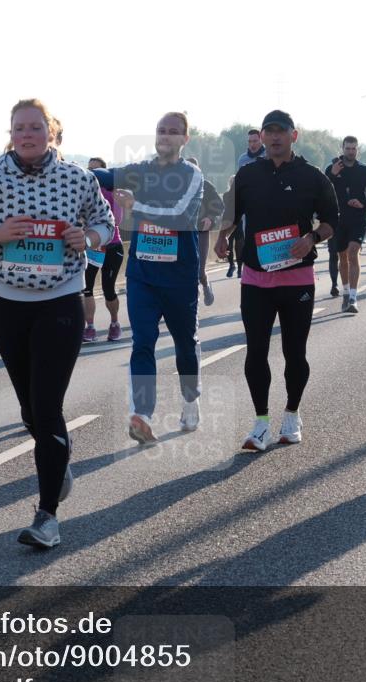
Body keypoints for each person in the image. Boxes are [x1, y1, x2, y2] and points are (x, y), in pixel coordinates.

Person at [0, 98, 114, 548]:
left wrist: (89, 236)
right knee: (28, 410)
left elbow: (105, 223)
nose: (27, 134)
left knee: (46, 406)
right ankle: (57, 458)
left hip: (60, 300)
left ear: (52, 133)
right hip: (7, 303)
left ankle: (47, 516)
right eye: (19, 127)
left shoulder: (79, 178)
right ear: (11, 134)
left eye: (35, 127)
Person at [216, 110, 338, 450]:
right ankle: (260, 423)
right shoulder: (248, 174)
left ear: (293, 136)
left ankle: (291, 414)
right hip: (256, 278)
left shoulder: (313, 177)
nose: (273, 138)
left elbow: (331, 221)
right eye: (268, 132)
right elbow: (232, 212)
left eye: (280, 132)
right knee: (255, 351)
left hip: (297, 278)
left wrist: (312, 238)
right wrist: (223, 235)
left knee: (294, 352)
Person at [92, 112, 204, 445]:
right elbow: (104, 175)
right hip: (143, 276)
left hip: (179, 277)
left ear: (185, 139)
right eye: (161, 131)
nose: (165, 136)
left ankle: (190, 399)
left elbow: (181, 216)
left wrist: (138, 207)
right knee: (143, 343)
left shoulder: (192, 174)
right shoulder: (139, 171)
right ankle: (142, 414)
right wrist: (64, 169)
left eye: (173, 132)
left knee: (185, 343)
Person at [324, 136, 366, 313]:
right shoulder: (332, 168)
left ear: (358, 150)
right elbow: (321, 190)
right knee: (342, 257)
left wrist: (363, 203)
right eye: (348, 148)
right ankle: (346, 292)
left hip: (358, 218)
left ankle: (354, 298)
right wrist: (331, 174)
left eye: (353, 148)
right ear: (342, 148)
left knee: (353, 252)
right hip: (338, 219)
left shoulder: (364, 170)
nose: (350, 152)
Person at [82, 157, 124, 342]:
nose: (92, 173)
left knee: (108, 289)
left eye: (96, 170)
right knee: (87, 288)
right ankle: (89, 327)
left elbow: (118, 220)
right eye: (89, 169)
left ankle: (115, 323)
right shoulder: (82, 191)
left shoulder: (113, 192)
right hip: (91, 247)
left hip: (112, 245)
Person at [186, 156, 225, 305]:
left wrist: (210, 218)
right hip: (183, 235)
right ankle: (191, 303)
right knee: (186, 271)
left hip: (201, 233)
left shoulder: (206, 186)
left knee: (199, 270)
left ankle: (206, 284)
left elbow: (219, 207)